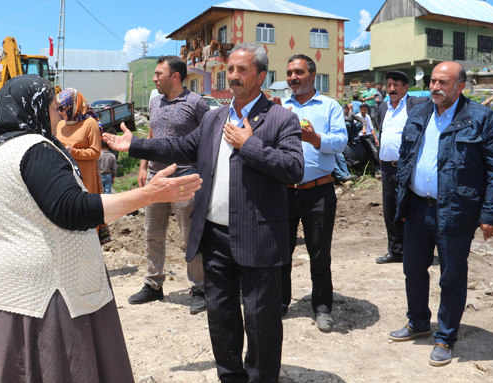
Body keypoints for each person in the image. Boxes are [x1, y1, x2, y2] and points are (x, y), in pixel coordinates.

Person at [0, 74, 202, 382]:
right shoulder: (34, 148)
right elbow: (71, 209)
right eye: (52, 109)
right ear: (32, 108)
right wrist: (147, 195)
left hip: (0, 296)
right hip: (47, 299)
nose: (58, 116)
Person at [103, 42, 304, 383]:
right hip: (214, 234)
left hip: (258, 236)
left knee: (261, 320)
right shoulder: (214, 118)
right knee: (221, 316)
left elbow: (294, 168)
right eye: (230, 69)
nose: (234, 76)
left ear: (261, 76)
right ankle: (231, 377)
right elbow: (180, 147)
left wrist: (248, 144)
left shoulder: (281, 118)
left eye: (242, 70)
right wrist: (136, 144)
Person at [389, 62, 493, 366]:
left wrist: (490, 214)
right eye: (433, 81)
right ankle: (417, 322)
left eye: (443, 82)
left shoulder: (482, 119)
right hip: (417, 208)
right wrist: (402, 203)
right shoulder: (418, 114)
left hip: (456, 210)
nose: (435, 87)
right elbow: (405, 160)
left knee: (452, 276)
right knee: (413, 270)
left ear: (460, 87)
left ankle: (445, 337)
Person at [128, 56, 210, 314]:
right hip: (156, 179)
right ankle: (154, 284)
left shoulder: (196, 103)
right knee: (153, 234)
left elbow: (208, 141)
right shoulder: (155, 102)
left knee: (191, 238)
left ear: (175, 76)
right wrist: (143, 167)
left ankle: (200, 288)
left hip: (185, 179)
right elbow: (151, 135)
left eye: (158, 73)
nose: (154, 78)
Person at [275, 54, 347, 331]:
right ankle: (280, 302)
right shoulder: (279, 107)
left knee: (319, 252)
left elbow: (341, 141)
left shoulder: (329, 106)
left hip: (318, 191)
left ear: (312, 75)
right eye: (290, 73)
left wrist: (316, 139)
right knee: (281, 251)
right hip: (283, 191)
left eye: (299, 73)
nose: (293, 78)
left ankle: (322, 307)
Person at [374, 71, 429, 264]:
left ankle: (416, 251)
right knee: (390, 209)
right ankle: (395, 250)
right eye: (389, 85)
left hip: (409, 168)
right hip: (388, 168)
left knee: (411, 208)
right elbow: (382, 131)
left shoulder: (415, 104)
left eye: (396, 84)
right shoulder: (383, 108)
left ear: (406, 87)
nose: (391, 89)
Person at [55, 88, 102, 195]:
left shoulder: (90, 123)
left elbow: (96, 152)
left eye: (62, 108)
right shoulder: (60, 124)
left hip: (85, 177)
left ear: (72, 106)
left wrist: (74, 152)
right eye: (57, 108)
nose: (59, 112)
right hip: (65, 175)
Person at [358, 103, 381, 170]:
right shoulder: (357, 116)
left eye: (364, 110)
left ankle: (380, 166)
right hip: (363, 136)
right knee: (374, 151)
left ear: (366, 110)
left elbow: (371, 128)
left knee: (378, 149)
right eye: (361, 110)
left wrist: (375, 138)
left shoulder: (368, 116)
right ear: (360, 109)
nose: (363, 111)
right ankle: (378, 169)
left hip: (370, 135)